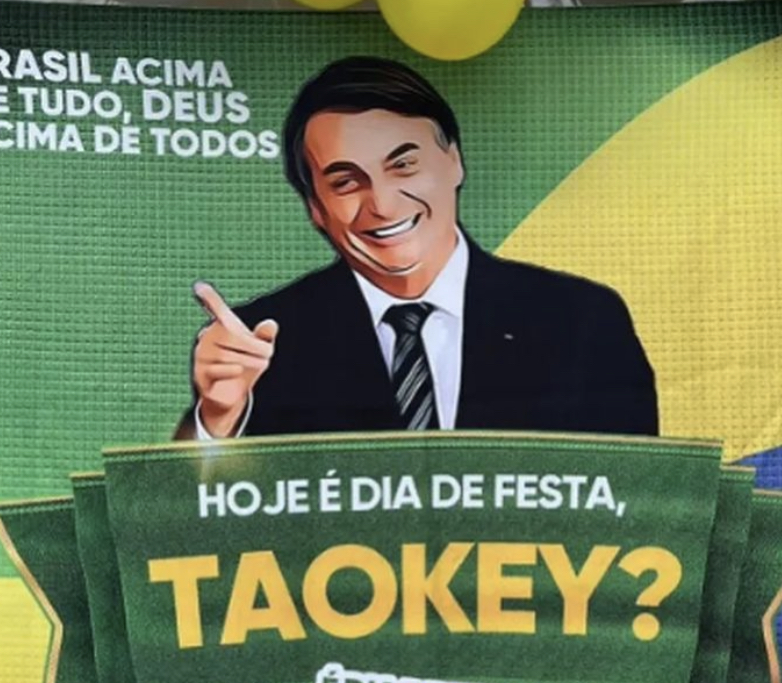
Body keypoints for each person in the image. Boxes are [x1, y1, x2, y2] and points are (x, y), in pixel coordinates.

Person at [175, 56, 658, 441]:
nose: (383, 205)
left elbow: (640, 500)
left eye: (403, 165)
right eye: (346, 181)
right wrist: (215, 419)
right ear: (315, 208)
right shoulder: (258, 346)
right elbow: (185, 513)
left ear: (455, 161)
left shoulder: (583, 321)